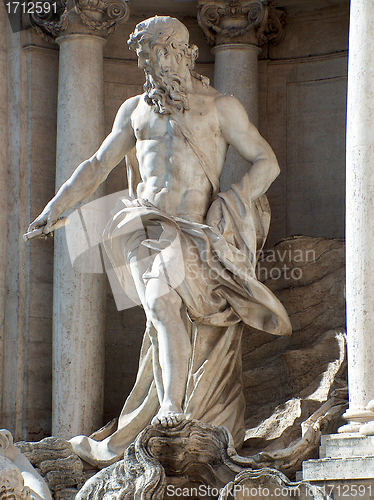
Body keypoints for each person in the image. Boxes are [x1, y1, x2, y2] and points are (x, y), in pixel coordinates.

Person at [28, 16, 292, 468]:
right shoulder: (135, 110)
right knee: (160, 301)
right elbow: (97, 164)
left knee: (167, 310)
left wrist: (232, 199)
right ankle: (171, 407)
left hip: (196, 229)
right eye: (141, 56)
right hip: (145, 223)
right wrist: (58, 207)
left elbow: (267, 162)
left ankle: (177, 408)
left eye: (151, 54)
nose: (145, 64)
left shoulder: (220, 107)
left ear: (178, 53)